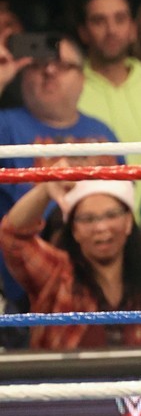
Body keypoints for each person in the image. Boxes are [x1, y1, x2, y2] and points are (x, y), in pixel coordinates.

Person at [0, 32, 122, 308]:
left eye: (63, 65)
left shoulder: (103, 132)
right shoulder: (5, 125)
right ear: (24, 74)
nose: (50, 70)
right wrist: (2, 77)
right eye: (38, 64)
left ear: (82, 78)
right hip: (28, 281)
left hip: (104, 280)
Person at [0, 178, 141, 350]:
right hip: (64, 376)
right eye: (87, 219)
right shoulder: (57, 274)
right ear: (74, 230)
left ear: (129, 221)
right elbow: (13, 237)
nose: (100, 227)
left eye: (111, 215)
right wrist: (45, 190)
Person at [76, 0, 141, 210]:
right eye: (99, 21)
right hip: (93, 218)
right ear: (83, 32)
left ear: (133, 29)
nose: (111, 30)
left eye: (120, 19)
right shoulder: (69, 89)